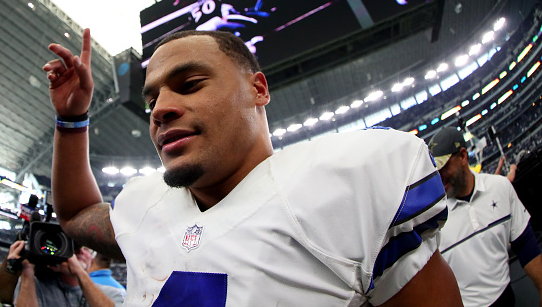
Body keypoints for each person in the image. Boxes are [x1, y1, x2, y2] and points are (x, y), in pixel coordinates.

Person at [43, 28, 462, 306]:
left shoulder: (343, 187)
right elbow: (76, 215)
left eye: (190, 85)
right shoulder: (145, 206)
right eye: (152, 101)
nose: (161, 110)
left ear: (257, 89)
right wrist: (72, 119)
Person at [429, 126, 542, 306]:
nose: (439, 177)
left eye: (444, 168)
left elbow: (526, 245)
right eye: (435, 171)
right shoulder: (433, 219)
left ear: (463, 156)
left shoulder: (500, 187)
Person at [1, 240, 116, 307]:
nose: (80, 251)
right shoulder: (35, 286)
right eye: (72, 248)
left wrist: (79, 273)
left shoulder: (110, 292)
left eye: (86, 249)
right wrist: (27, 269)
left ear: (92, 258)